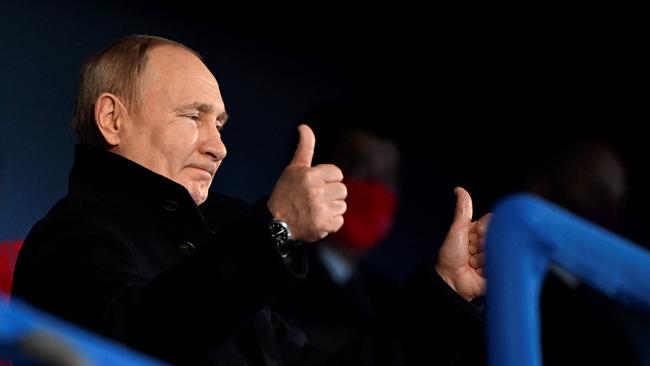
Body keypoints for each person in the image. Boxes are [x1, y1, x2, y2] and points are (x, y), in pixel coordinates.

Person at [12, 35, 488, 365]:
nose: (218, 146)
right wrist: (274, 229)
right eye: (193, 116)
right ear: (113, 119)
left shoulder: (215, 241)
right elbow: (138, 342)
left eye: (218, 124)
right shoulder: (68, 239)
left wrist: (445, 291)